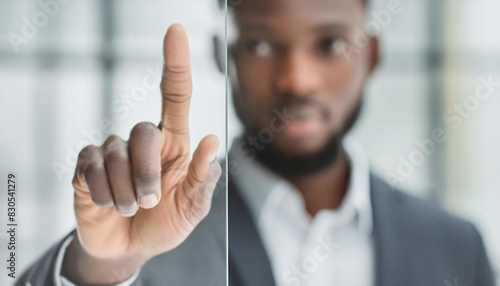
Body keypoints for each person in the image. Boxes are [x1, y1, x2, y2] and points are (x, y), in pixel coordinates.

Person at [17, 0, 496, 285]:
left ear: (370, 56)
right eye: (262, 45)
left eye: (329, 44)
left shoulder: (455, 247)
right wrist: (105, 266)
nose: (296, 80)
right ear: (225, 57)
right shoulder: (154, 238)